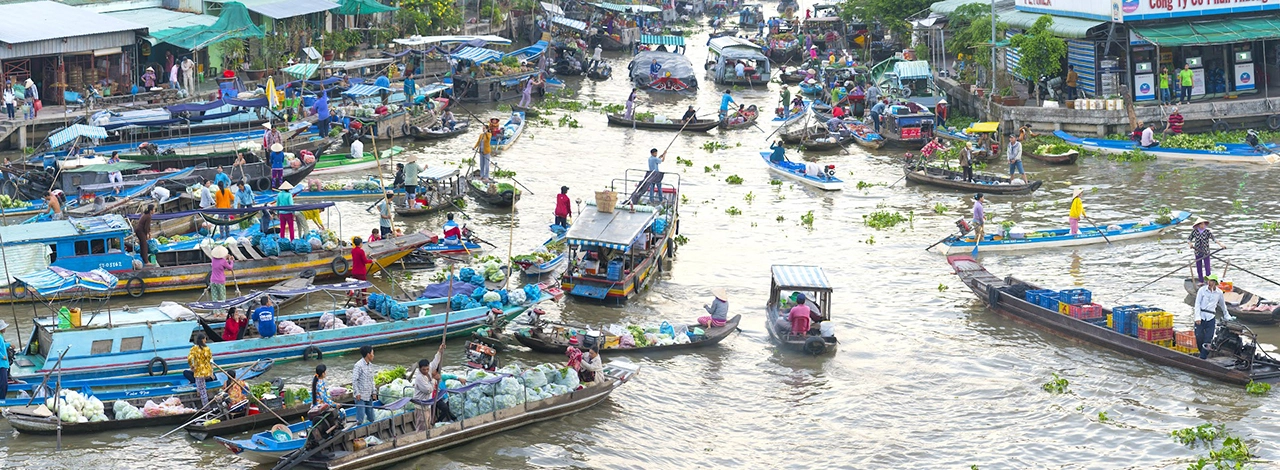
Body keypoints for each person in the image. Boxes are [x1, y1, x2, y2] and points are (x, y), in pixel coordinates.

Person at [1194, 274, 1228, 359]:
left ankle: (1203, 357)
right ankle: (1202, 353)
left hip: (1211, 317)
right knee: (1199, 336)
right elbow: (1197, 303)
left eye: (1212, 281)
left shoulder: (1219, 293)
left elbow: (1223, 305)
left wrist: (1227, 315)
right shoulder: (1202, 290)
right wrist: (1197, 317)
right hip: (1201, 316)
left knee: (1208, 339)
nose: (1210, 283)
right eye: (1209, 281)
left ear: (1215, 283)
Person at [1188, 217, 1226, 282]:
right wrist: (1190, 244)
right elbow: (1189, 239)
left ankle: (1209, 281)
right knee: (1199, 267)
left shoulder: (1207, 232)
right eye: (1201, 224)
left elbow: (1214, 239)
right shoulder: (1195, 232)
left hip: (1206, 252)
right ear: (1198, 225)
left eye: (1204, 224)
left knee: (1207, 268)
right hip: (1197, 251)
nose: (1203, 226)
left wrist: (1221, 244)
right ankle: (1201, 281)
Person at [352, 345, 377, 425]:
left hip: (368, 395)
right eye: (372, 353)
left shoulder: (371, 366)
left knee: (371, 417)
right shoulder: (358, 365)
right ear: (368, 354)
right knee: (360, 418)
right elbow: (354, 380)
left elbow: (372, 380)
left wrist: (374, 392)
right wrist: (357, 393)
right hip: (361, 397)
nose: (373, 355)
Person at [187, 333, 214, 405]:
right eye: (205, 339)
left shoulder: (194, 349)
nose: (205, 340)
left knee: (202, 390)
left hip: (199, 371)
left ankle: (206, 406)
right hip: (207, 371)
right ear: (202, 340)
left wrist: (192, 366)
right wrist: (211, 372)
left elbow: (189, 358)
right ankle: (198, 391)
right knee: (202, 387)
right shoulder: (207, 349)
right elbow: (211, 361)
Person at [0, 320, 10, 400]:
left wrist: (9, 344)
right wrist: (2, 356)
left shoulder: (1, 337)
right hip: (1, 364)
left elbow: (2, 346)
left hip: (3, 364)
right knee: (4, 384)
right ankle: (2, 400)